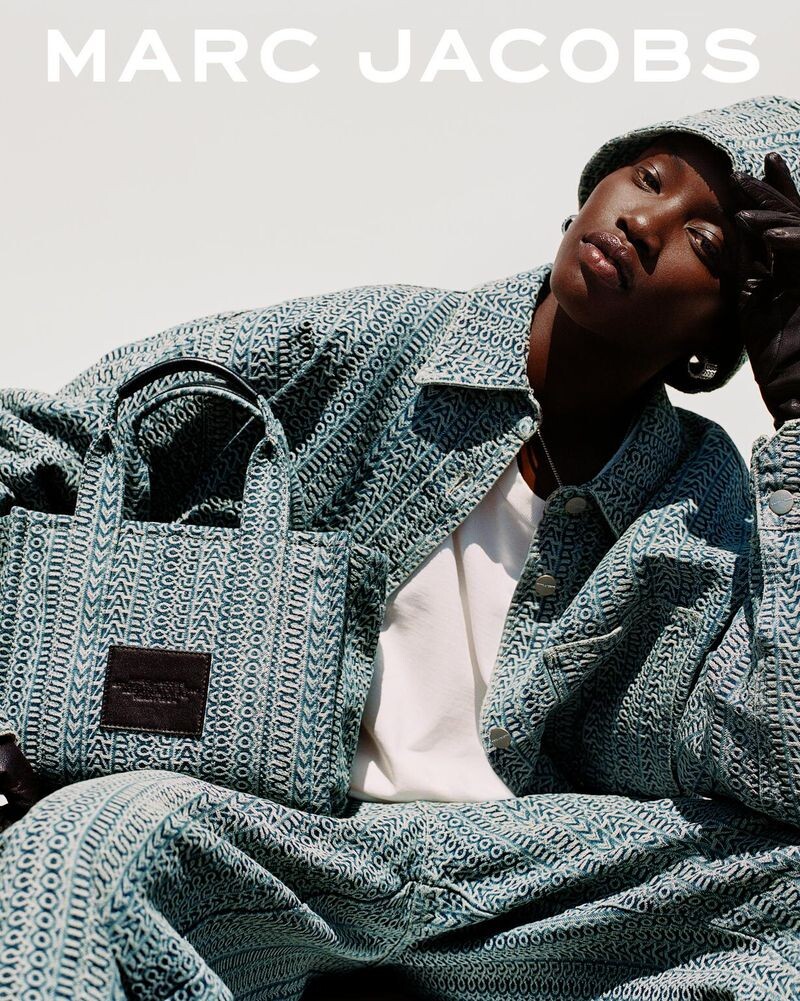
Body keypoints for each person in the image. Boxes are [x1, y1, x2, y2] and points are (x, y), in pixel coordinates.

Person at [0, 93, 799, 999]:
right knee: (87, 844)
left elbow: (779, 762)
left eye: (705, 242)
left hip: (517, 892)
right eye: (647, 178)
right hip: (273, 844)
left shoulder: (703, 498)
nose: (645, 223)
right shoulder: (383, 346)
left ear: (720, 341)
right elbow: (39, 442)